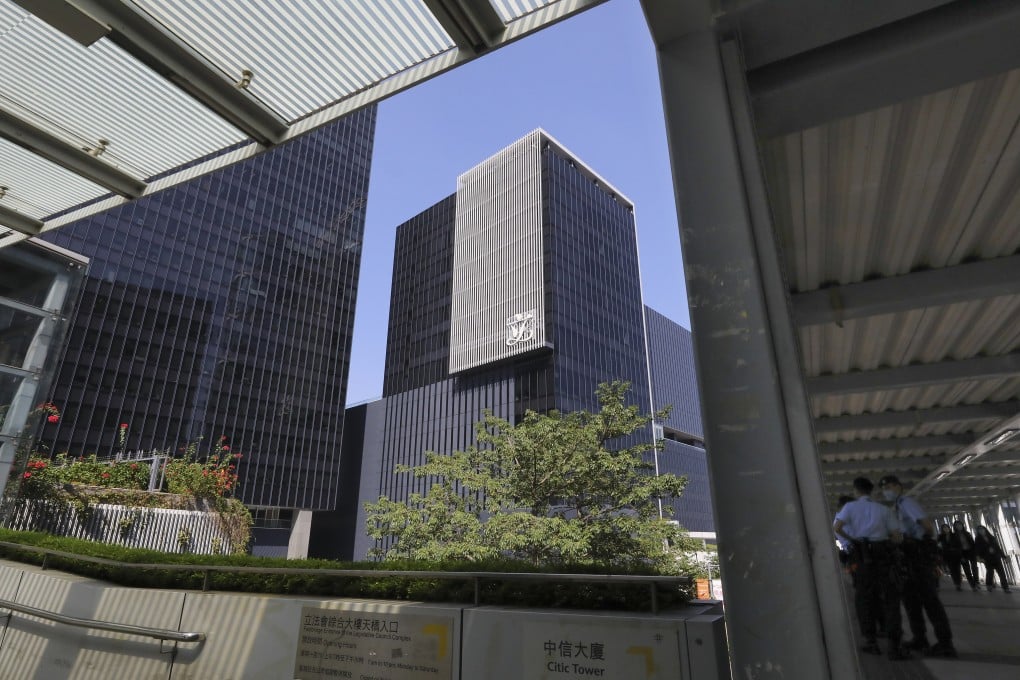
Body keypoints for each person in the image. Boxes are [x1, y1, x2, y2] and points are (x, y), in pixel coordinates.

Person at [878, 475, 956, 658]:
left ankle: (945, 643)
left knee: (930, 600)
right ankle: (919, 638)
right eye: (884, 488)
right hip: (908, 558)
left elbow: (927, 526)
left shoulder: (906, 502)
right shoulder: (897, 506)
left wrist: (922, 543)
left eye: (889, 486)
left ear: (899, 486)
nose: (887, 491)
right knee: (911, 601)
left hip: (917, 557)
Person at [834, 477, 907, 660]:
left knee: (864, 598)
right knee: (890, 598)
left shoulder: (849, 507)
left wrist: (853, 541)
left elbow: (837, 527)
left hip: (862, 554)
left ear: (855, 491)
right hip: (883, 553)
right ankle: (894, 645)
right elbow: (897, 537)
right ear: (872, 491)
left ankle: (871, 642)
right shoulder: (883, 509)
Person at [974, 525, 1012, 593]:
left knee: (1002, 573)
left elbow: (998, 548)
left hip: (996, 557)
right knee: (990, 572)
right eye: (979, 530)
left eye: (982, 529)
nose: (981, 531)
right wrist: (983, 554)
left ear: (985, 530)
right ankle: (989, 585)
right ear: (978, 532)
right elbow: (977, 550)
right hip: (987, 558)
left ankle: (1005, 588)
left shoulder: (991, 537)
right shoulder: (977, 540)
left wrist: (1004, 557)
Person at [937, 523, 964, 591]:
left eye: (947, 528)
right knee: (952, 570)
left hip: (956, 555)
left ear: (949, 528)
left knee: (958, 569)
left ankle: (959, 583)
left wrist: (959, 552)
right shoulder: (941, 537)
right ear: (942, 529)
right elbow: (938, 545)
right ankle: (957, 584)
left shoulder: (954, 535)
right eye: (944, 528)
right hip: (947, 555)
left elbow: (959, 544)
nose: (946, 529)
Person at [954, 520, 980, 591]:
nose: (959, 526)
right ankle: (972, 585)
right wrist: (960, 556)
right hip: (962, 553)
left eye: (960, 525)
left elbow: (972, 543)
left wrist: (976, 553)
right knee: (967, 570)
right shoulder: (954, 536)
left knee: (974, 567)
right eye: (957, 525)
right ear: (955, 527)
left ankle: (976, 582)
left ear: (962, 525)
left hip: (971, 552)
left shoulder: (967, 533)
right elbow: (955, 547)